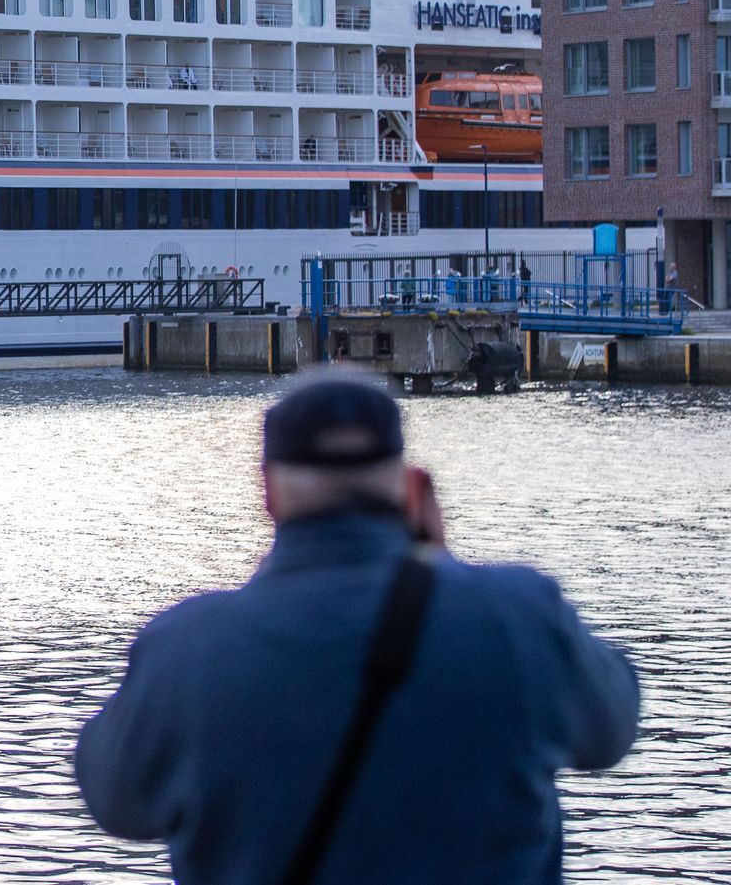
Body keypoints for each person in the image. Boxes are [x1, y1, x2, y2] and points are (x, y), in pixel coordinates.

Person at [75, 376, 637, 883]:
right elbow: (610, 729)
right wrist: (439, 571)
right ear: (411, 487)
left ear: (268, 493)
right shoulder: (519, 614)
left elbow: (115, 801)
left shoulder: (186, 648)